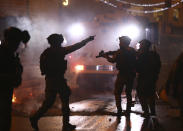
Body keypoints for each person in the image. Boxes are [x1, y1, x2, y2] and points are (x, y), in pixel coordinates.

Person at [29, 34, 95, 131]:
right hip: (58, 80)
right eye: (60, 41)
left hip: (50, 80)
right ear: (58, 42)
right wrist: (88, 40)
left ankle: (36, 117)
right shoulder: (59, 51)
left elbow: (42, 69)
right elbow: (76, 46)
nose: (61, 42)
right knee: (64, 101)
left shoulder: (46, 52)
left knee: (49, 103)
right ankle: (65, 124)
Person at [0, 27, 30, 131]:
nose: (17, 46)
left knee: (5, 118)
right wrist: (11, 77)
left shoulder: (9, 53)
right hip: (3, 91)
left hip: (6, 90)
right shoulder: (3, 53)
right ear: (10, 41)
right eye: (17, 43)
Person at [99, 36, 136, 116]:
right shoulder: (132, 50)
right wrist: (110, 53)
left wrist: (105, 56)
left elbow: (112, 60)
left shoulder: (120, 52)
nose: (119, 44)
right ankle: (128, 110)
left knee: (117, 92)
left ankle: (119, 110)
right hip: (131, 74)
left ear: (123, 43)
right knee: (128, 93)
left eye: (120, 42)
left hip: (123, 74)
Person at [136, 39, 161, 117]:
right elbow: (159, 66)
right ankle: (153, 111)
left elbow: (138, 66)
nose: (140, 46)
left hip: (143, 77)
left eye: (141, 45)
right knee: (151, 94)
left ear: (144, 46)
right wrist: (155, 75)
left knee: (141, 93)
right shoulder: (155, 54)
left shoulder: (142, 55)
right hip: (152, 78)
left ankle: (146, 111)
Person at [165, 52, 183, 120]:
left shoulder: (177, 64)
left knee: (180, 101)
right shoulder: (178, 64)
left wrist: (168, 84)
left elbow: (172, 75)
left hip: (178, 86)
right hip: (179, 86)